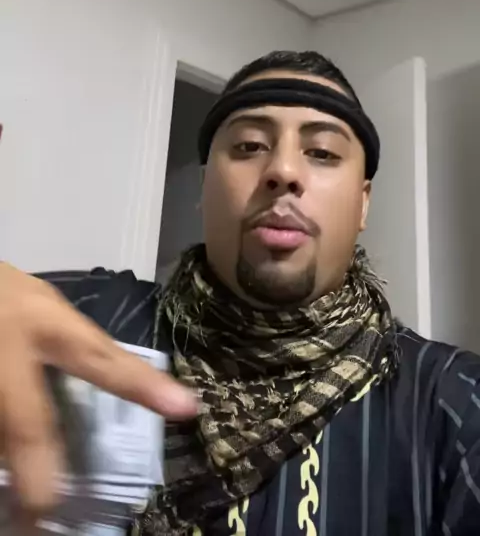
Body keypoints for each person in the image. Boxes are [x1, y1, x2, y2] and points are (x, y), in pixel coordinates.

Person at [1, 50, 480, 536]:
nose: (283, 170)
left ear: (363, 203)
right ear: (204, 186)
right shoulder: (85, 322)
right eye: (250, 145)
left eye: (322, 152)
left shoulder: (453, 405)